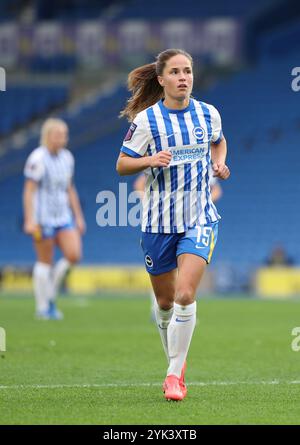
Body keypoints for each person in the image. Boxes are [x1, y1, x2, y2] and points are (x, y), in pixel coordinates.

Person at [116, 48, 230, 401]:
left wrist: (219, 164)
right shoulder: (147, 121)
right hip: (158, 222)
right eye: (176, 72)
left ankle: (173, 375)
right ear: (162, 79)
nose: (184, 77)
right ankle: (175, 363)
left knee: (185, 294)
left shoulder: (208, 113)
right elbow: (122, 164)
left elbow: (219, 142)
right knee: (164, 303)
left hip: (199, 217)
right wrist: (151, 159)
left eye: (188, 71)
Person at [133, 169, 223, 320]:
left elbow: (217, 190)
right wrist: (150, 201)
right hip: (162, 224)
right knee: (165, 274)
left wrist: (201, 202)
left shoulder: (200, 164)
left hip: (193, 223)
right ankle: (159, 308)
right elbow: (139, 184)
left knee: (186, 274)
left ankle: (182, 311)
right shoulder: (166, 159)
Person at [23, 118, 86, 320]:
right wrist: (29, 220)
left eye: (65, 134)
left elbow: (70, 189)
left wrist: (78, 216)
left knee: (74, 255)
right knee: (44, 261)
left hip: (63, 216)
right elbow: (29, 191)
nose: (63, 138)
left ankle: (51, 294)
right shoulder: (38, 158)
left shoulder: (67, 157)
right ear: (48, 136)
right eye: (59, 134)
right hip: (43, 219)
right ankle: (43, 307)